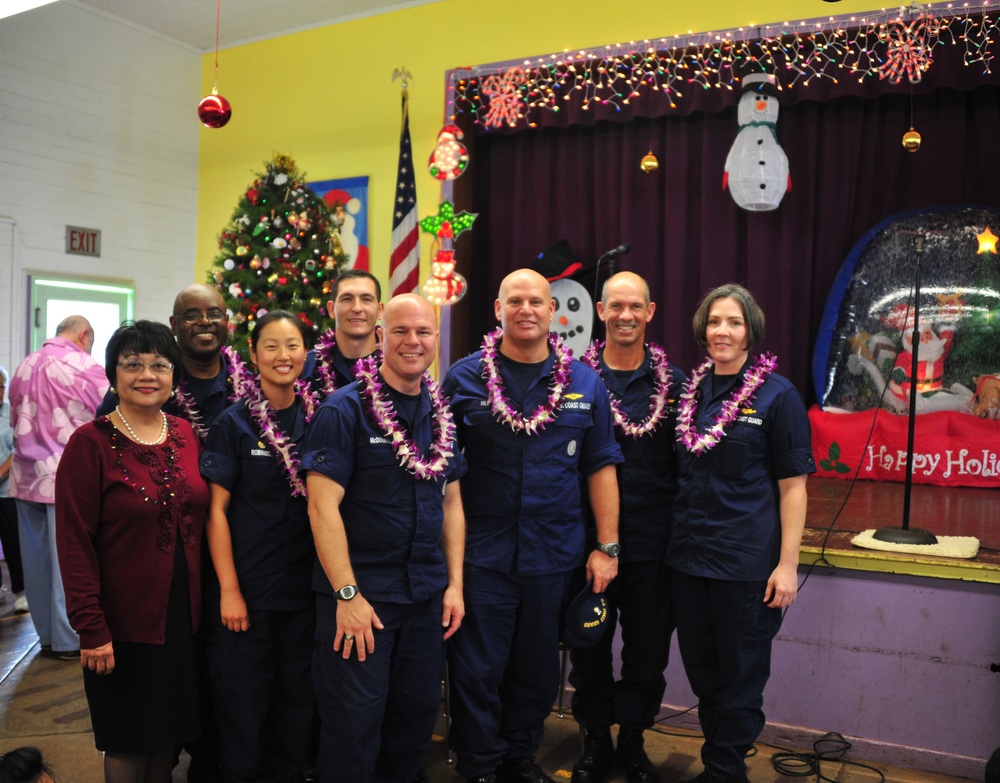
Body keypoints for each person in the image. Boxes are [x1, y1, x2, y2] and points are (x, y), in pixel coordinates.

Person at [441, 269, 623, 783]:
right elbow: (443, 475)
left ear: (552, 312)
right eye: (514, 300)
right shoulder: (463, 378)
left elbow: (601, 466)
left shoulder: (585, 382)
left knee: (537, 671)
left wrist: (606, 546)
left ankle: (518, 759)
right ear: (497, 310)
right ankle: (479, 765)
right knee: (476, 670)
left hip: (554, 555)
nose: (526, 309)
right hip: (481, 556)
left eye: (536, 301)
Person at [302, 293, 466, 783]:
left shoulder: (442, 414)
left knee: (413, 725)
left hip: (424, 598)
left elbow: (452, 503)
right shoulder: (344, 410)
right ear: (379, 337)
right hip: (362, 603)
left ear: (437, 339)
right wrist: (346, 594)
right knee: (353, 729)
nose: (412, 341)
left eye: (423, 332)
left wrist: (454, 584)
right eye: (399, 331)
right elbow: (320, 506)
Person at [668, 284, 814, 783]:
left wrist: (788, 564)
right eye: (714, 322)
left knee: (741, 678)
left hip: (746, 564)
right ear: (702, 330)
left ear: (751, 329)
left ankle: (725, 770)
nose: (722, 331)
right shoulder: (692, 390)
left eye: (733, 322)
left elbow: (794, 488)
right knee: (704, 673)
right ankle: (721, 760)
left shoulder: (780, 395)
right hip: (688, 559)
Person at [54, 320, 210, 783]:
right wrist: (91, 627)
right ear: (112, 374)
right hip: (120, 628)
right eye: (133, 364)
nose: (147, 374)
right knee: (127, 740)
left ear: (174, 375)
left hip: (183, 622)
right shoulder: (90, 443)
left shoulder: (184, 432)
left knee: (168, 738)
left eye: (160, 364)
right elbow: (73, 543)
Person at [570, 272, 687, 783]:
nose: (625, 315)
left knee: (646, 654)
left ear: (651, 312)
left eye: (634, 306)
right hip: (587, 546)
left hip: (652, 545)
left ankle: (634, 741)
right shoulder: (571, 379)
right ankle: (595, 741)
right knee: (590, 650)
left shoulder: (677, 385)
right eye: (615, 306)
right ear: (600, 311)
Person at [199, 311, 317, 781]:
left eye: (292, 346)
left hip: (305, 594)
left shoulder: (323, 416)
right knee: (243, 708)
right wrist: (229, 589)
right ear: (252, 354)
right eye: (271, 346)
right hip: (246, 594)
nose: (282, 356)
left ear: (305, 354)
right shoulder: (235, 424)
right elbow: (216, 513)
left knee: (296, 705)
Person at [9, 315, 108, 659]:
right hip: (65, 476)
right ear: (84, 336)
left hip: (24, 476)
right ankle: (70, 640)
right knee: (70, 561)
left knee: (36, 563)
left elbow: (12, 419)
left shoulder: (24, 365)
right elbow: (106, 417)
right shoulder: (86, 365)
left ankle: (48, 637)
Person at [97, 283, 233, 438]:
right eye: (192, 316)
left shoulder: (247, 387)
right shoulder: (144, 381)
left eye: (215, 315)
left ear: (227, 322)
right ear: (174, 324)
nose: (205, 322)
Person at [303, 269, 384, 397]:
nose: (357, 308)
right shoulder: (308, 366)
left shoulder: (395, 364)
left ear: (380, 310)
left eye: (366, 299)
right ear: (331, 309)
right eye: (347, 299)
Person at [0, 366, 28, 613]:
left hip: (7, 491)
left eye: (0, 387)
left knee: (13, 542)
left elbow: (18, 448)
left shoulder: (11, 415)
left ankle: (21, 591)